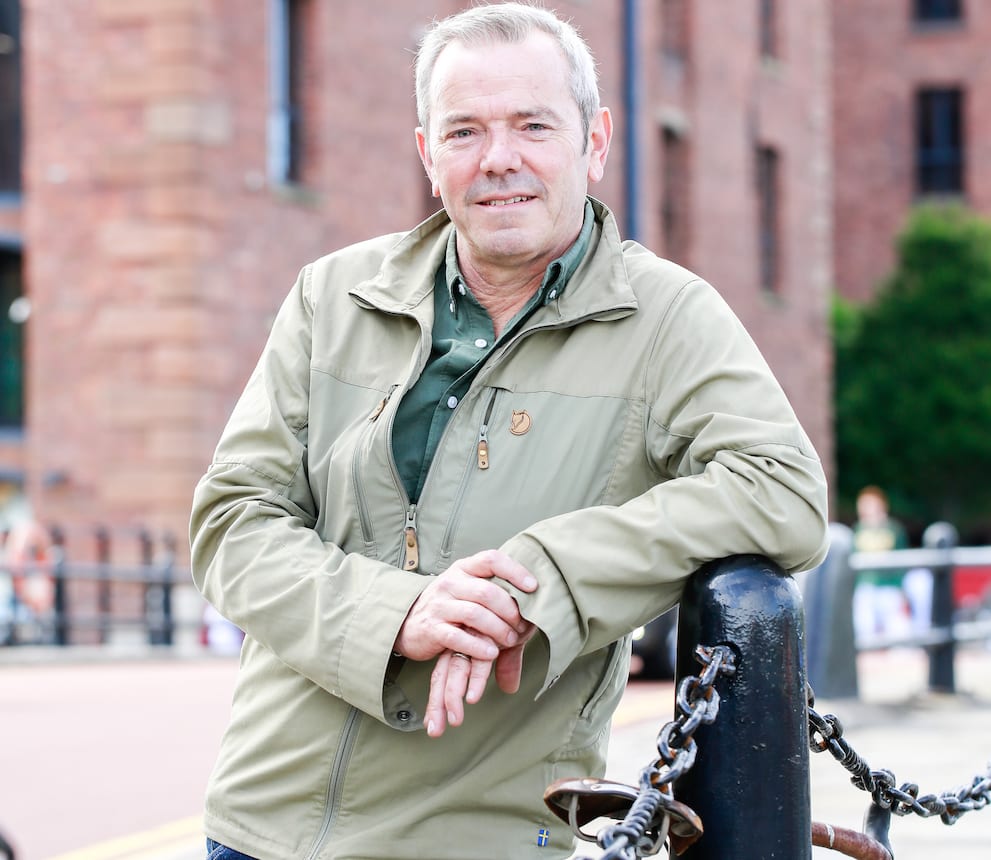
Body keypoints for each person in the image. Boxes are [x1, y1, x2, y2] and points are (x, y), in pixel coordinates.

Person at [189, 4, 829, 858]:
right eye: (464, 132)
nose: (498, 159)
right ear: (428, 156)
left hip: (480, 836)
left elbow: (784, 493)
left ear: (594, 142)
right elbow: (232, 520)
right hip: (260, 828)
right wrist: (397, 614)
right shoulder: (331, 295)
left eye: (533, 125)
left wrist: (548, 574)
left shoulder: (668, 317)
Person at [851, 485, 916, 641]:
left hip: (889, 586)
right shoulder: (858, 530)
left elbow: (901, 560)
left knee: (896, 630)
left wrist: (901, 588)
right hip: (865, 587)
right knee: (863, 629)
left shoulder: (894, 529)